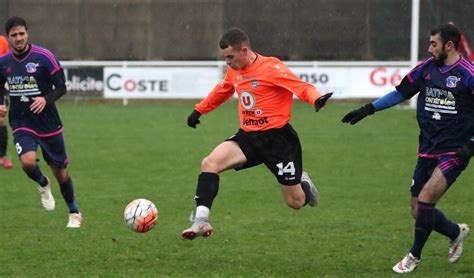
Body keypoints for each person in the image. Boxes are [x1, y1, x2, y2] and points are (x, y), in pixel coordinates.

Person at [342, 24, 472, 273]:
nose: (429, 48)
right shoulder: (425, 69)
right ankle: (456, 232)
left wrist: (471, 145)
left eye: (433, 43)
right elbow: (400, 94)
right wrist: (368, 109)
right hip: (427, 148)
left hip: (455, 151)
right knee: (417, 210)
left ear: (449, 46)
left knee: (426, 199)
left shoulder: (468, 74)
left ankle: (414, 256)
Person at [181, 27, 332, 240]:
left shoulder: (271, 67)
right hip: (249, 137)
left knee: (295, 202)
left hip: (278, 141)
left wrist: (316, 99)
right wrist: (199, 110)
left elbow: (301, 87)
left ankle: (303, 182)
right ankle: (201, 221)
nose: (227, 62)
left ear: (244, 50)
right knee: (210, 163)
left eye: (230, 57)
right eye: (225, 58)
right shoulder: (235, 70)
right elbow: (222, 90)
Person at [0, 16, 82, 228]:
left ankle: (74, 212)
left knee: (60, 173)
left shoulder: (44, 57)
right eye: (14, 35)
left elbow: (62, 87)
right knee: (27, 162)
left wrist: (46, 99)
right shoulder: (4, 63)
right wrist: (1, 103)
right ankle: (43, 184)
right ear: (8, 38)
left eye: (21, 33)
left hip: (48, 123)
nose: (18, 38)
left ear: (27, 33)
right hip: (21, 121)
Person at [0, 34, 13, 168]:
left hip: (0, 88)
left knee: (1, 120)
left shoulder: (2, 41)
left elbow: (7, 62)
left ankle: (3, 156)